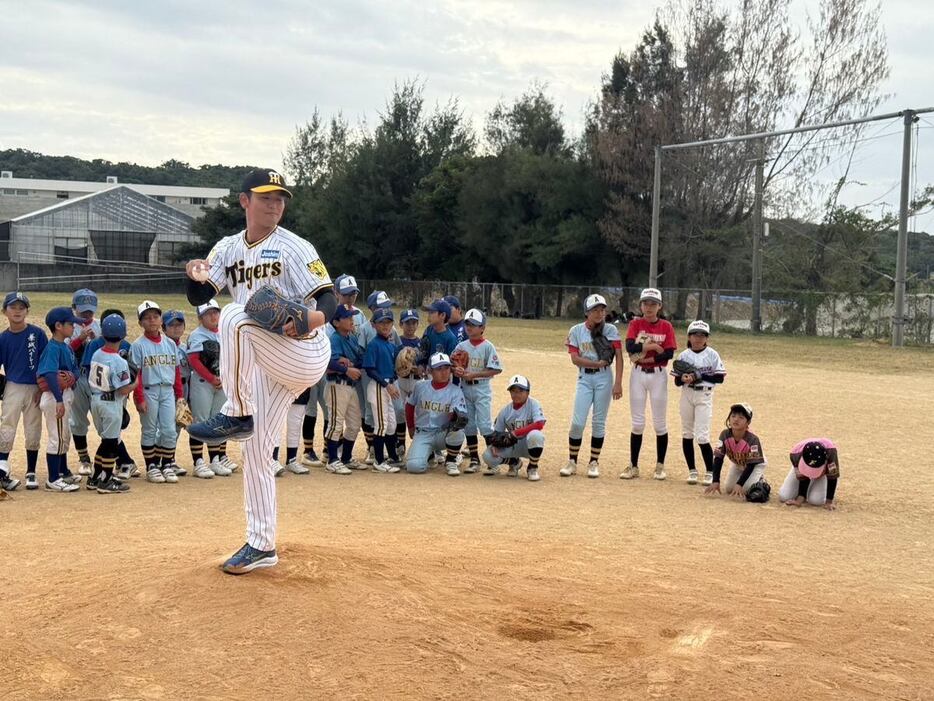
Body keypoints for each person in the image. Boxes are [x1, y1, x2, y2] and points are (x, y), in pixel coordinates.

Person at [185, 168, 337, 575]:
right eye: (267, 197)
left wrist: (314, 318)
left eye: (280, 198)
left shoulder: (293, 246)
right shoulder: (228, 248)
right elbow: (202, 294)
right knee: (255, 449)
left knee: (234, 313)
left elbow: (328, 295)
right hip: (266, 356)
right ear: (244, 201)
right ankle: (261, 544)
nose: (275, 204)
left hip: (304, 350)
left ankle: (235, 412)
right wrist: (195, 275)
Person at [560, 294, 623, 479]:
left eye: (602, 310)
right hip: (585, 378)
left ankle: (594, 462)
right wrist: (596, 364)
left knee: (598, 422)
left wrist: (618, 383)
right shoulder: (576, 331)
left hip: (605, 379)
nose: (599, 313)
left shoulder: (610, 329)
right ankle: (572, 461)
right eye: (595, 310)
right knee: (578, 422)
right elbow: (575, 359)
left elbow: (619, 356)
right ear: (587, 312)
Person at [620, 288, 676, 481]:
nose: (649, 307)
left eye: (654, 304)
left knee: (659, 424)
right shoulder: (636, 324)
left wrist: (648, 359)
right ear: (641, 305)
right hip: (637, 375)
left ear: (660, 306)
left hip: (658, 376)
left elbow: (668, 353)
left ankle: (660, 465)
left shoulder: (666, 326)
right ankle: (633, 466)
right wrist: (652, 347)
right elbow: (630, 347)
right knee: (637, 424)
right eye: (646, 303)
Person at [130, 301, 183, 484]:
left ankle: (166, 464)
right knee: (150, 430)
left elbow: (176, 372)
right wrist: (139, 398)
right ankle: (152, 466)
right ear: (140, 323)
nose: (152, 320)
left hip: (168, 391)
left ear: (161, 319)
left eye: (155, 316)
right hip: (148, 390)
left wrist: (180, 396)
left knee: (169, 430)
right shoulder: (138, 345)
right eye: (147, 318)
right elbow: (136, 374)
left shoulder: (170, 344)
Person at [85, 309, 140, 481]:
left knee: (106, 441)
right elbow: (123, 390)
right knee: (110, 443)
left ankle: (95, 476)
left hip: (95, 401)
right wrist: (136, 382)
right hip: (110, 404)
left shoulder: (96, 353)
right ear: (123, 336)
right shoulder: (119, 361)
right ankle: (106, 480)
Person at [0, 292, 47, 491]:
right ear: (4, 312)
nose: (17, 311)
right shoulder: (3, 338)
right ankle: (2, 465)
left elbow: (45, 362)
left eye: (21, 307)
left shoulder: (37, 334)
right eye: (13, 307)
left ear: (28, 311)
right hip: (12, 385)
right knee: (7, 424)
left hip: (35, 386)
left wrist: (43, 387)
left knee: (33, 427)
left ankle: (31, 471)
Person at [673, 320, 725, 486]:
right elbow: (677, 381)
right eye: (695, 334)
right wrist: (684, 378)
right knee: (687, 433)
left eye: (702, 335)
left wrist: (698, 376)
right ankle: (692, 470)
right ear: (689, 336)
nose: (698, 338)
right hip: (687, 395)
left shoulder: (712, 354)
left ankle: (710, 472)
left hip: (704, 396)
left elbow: (719, 377)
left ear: (706, 338)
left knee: (702, 436)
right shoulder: (684, 355)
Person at [36, 307, 83, 492]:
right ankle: (53, 479)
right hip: (56, 396)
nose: (73, 327)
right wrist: (58, 400)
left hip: (64, 394)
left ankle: (63, 472)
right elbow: (48, 373)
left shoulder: (65, 346)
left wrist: (73, 376)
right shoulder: (53, 348)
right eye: (70, 324)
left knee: (64, 435)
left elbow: (76, 370)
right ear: (58, 326)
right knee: (56, 437)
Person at [185, 299, 232, 479]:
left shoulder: (224, 333)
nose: (213, 316)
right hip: (203, 383)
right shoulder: (197, 335)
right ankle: (198, 462)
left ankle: (215, 460)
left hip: (222, 384)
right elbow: (194, 360)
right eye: (208, 313)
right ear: (200, 317)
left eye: (215, 312)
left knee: (217, 421)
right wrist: (211, 378)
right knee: (200, 421)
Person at [452, 309, 502, 472]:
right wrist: (456, 370)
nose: (470, 327)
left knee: (485, 425)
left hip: (481, 389)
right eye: (467, 323)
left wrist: (474, 374)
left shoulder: (488, 347)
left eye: (474, 325)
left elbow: (495, 369)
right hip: (465, 389)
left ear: (482, 328)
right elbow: (453, 366)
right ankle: (474, 460)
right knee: (470, 425)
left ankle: (493, 461)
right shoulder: (461, 346)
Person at [404, 353, 467, 476]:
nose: (443, 372)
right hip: (423, 433)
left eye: (446, 368)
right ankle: (429, 453)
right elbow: (409, 405)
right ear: (430, 371)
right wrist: (411, 427)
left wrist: (454, 417)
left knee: (458, 430)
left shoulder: (456, 391)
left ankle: (451, 460)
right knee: (414, 467)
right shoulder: (420, 386)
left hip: (443, 433)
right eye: (439, 369)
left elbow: (460, 418)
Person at [323, 304, 364, 474]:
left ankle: (346, 458)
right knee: (336, 423)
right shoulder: (334, 339)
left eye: (351, 316)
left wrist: (348, 363)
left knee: (355, 423)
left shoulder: (351, 338)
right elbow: (328, 363)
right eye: (347, 317)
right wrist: (346, 368)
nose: (351, 320)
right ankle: (332, 459)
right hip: (336, 384)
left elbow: (360, 359)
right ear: (337, 322)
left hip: (350, 386)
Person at [482, 375, 545, 482]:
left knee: (536, 435)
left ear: (528, 392)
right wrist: (495, 445)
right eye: (513, 391)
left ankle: (532, 468)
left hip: (528, 444)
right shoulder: (505, 411)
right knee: (488, 456)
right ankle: (513, 462)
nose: (516, 394)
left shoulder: (534, 404)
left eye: (520, 391)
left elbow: (539, 423)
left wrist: (515, 432)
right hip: (512, 445)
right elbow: (497, 432)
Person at [362, 307, 402, 472]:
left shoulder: (391, 345)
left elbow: (393, 369)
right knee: (381, 425)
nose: (385, 326)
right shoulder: (374, 345)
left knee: (391, 425)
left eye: (388, 322)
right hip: (379, 386)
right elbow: (370, 370)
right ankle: (378, 461)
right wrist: (387, 385)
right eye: (381, 323)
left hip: (388, 385)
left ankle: (393, 457)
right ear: (373, 325)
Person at [67, 288, 100, 476]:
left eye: (90, 309)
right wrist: (79, 340)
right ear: (74, 307)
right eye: (83, 309)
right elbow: (64, 352)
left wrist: (97, 341)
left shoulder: (101, 325)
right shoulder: (68, 326)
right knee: (78, 420)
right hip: (77, 377)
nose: (87, 313)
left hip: (97, 379)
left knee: (105, 418)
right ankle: (84, 459)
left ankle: (115, 457)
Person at [704, 403, 768, 498]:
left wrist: (740, 484)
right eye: (733, 416)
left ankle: (761, 481)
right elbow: (718, 459)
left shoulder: (753, 439)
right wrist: (715, 481)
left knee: (745, 489)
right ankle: (745, 479)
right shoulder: (724, 435)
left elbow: (751, 465)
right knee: (729, 489)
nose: (736, 419)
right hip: (738, 464)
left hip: (755, 465)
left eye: (741, 417)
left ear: (748, 422)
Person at [779, 439, 840, 511]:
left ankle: (815, 485)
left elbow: (832, 477)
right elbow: (803, 477)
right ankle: (809, 488)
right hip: (801, 464)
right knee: (784, 496)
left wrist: (829, 501)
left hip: (824, 470)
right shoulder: (795, 454)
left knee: (816, 501)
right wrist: (800, 499)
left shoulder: (831, 452)